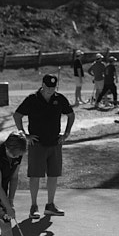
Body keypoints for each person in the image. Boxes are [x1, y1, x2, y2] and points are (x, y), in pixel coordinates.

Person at [13, 74, 75, 219]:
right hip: (37, 144)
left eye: (52, 88)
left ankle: (50, 205)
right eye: (47, 87)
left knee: (53, 175)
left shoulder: (59, 99)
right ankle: (34, 206)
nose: (49, 91)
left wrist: (66, 134)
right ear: (42, 85)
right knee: (35, 176)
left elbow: (71, 115)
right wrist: (24, 135)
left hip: (55, 143)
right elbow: (17, 116)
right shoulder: (32, 99)